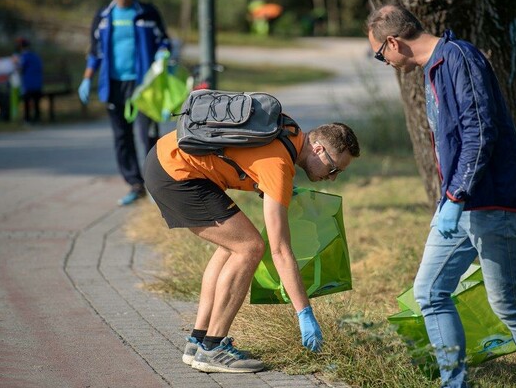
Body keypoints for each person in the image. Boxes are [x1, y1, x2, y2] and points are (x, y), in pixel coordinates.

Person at [367, 4, 516, 387]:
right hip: (459, 203)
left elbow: (480, 132)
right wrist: (450, 201)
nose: (383, 61)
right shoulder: (433, 68)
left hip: (492, 202)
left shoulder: (459, 58)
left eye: (379, 53)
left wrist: (456, 196)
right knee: (430, 292)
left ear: (393, 42)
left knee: (507, 303)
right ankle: (455, 384)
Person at [143, 122, 360, 373]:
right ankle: (212, 349)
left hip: (167, 157)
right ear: (319, 149)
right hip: (178, 173)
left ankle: (198, 341)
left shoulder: (288, 131)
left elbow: (245, 158)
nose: (332, 178)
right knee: (250, 247)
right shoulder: (279, 164)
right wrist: (304, 312)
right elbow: (279, 250)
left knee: (233, 244)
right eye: (334, 169)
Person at [78, 0, 170, 206]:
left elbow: (163, 41)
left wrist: (163, 52)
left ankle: (157, 188)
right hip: (114, 85)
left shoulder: (147, 12)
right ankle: (135, 185)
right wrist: (87, 78)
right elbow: (95, 52)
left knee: (148, 135)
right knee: (122, 137)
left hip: (144, 86)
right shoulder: (103, 16)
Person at [14, 37, 43, 124]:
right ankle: (37, 118)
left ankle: (27, 119)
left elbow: (19, 68)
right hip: (38, 84)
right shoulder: (35, 56)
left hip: (29, 84)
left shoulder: (24, 57)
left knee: (26, 99)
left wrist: (15, 63)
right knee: (36, 100)